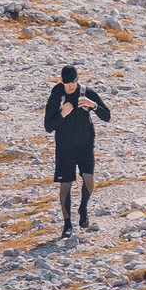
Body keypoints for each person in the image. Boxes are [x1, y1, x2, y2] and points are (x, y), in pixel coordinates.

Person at [43, 64, 111, 238]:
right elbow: (48, 126)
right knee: (65, 185)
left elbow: (107, 116)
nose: (70, 86)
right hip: (64, 147)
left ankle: (83, 208)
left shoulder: (86, 93)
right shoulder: (56, 95)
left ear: (78, 79)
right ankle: (67, 225)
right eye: (67, 84)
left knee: (89, 180)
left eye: (73, 83)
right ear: (61, 81)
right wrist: (62, 114)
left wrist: (93, 105)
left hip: (85, 145)